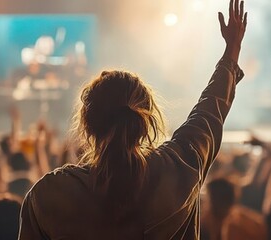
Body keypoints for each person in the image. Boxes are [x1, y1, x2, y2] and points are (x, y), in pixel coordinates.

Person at [18, 0, 247, 238]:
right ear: (145, 121)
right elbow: (208, 113)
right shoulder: (179, 168)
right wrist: (231, 52)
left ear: (87, 124)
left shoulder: (49, 195)